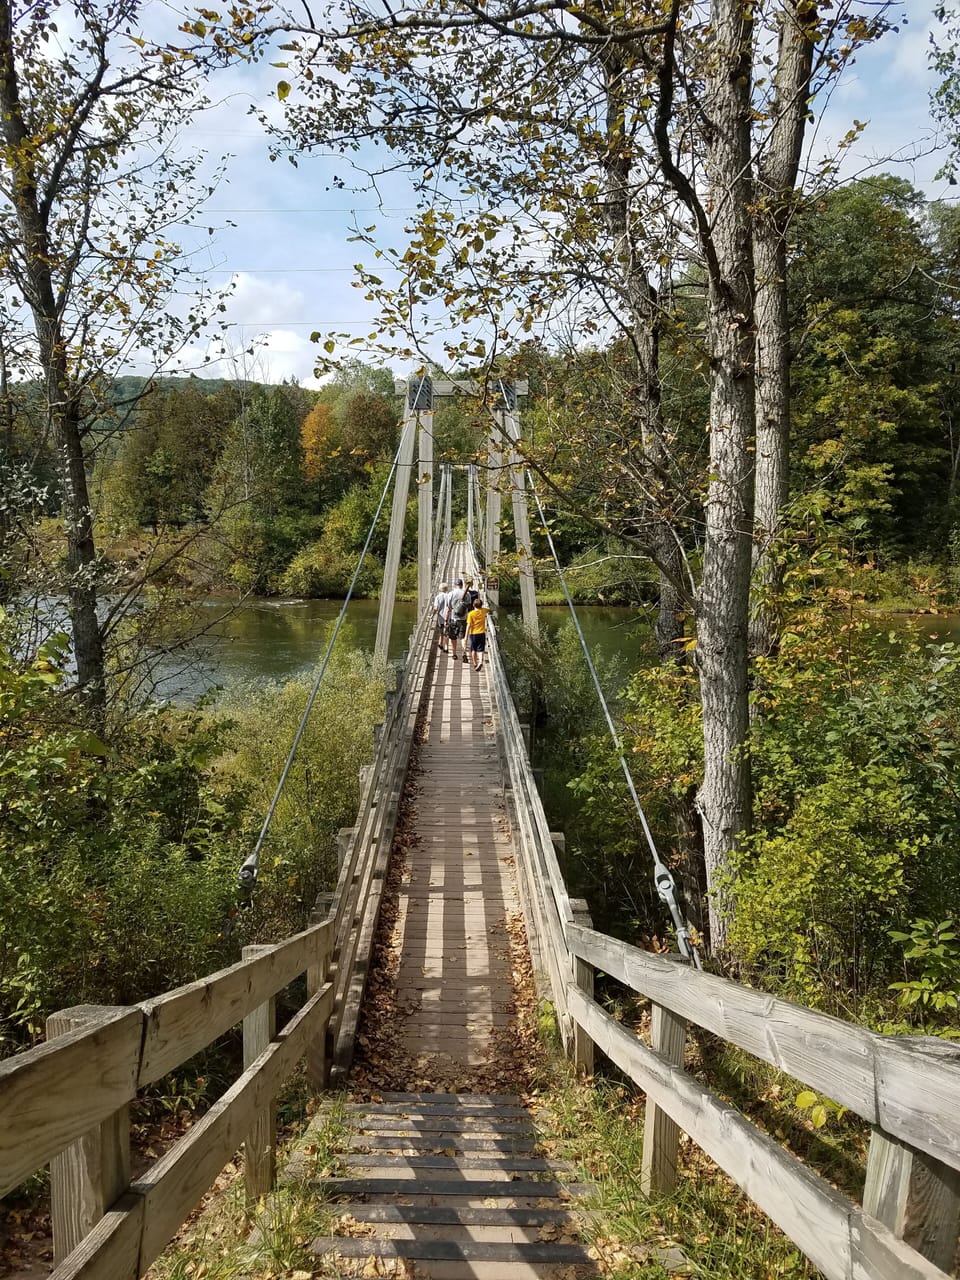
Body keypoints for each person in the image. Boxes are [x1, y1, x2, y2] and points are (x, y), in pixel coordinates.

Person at [445, 578, 469, 661]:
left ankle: (454, 654)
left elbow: (448, 607)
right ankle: (464, 652)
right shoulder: (467, 594)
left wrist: (446, 620)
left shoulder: (451, 594)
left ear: (455, 585)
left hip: (453, 619)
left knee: (453, 637)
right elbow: (468, 606)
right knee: (463, 637)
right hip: (463, 619)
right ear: (462, 585)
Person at [466, 595, 491, 671]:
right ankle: (480, 661)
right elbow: (489, 610)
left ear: (473, 605)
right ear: (481, 605)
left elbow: (469, 625)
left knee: (473, 649)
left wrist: (466, 636)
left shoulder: (471, 614)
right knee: (480, 649)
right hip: (482, 633)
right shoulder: (483, 611)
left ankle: (474, 663)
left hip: (473, 634)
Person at [434, 581, 449, 652]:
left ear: (440, 589)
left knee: (441, 630)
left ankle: (441, 643)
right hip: (448, 616)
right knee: (446, 631)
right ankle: (446, 646)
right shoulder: (449, 596)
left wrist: (432, 615)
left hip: (441, 617)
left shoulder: (438, 597)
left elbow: (436, 608)